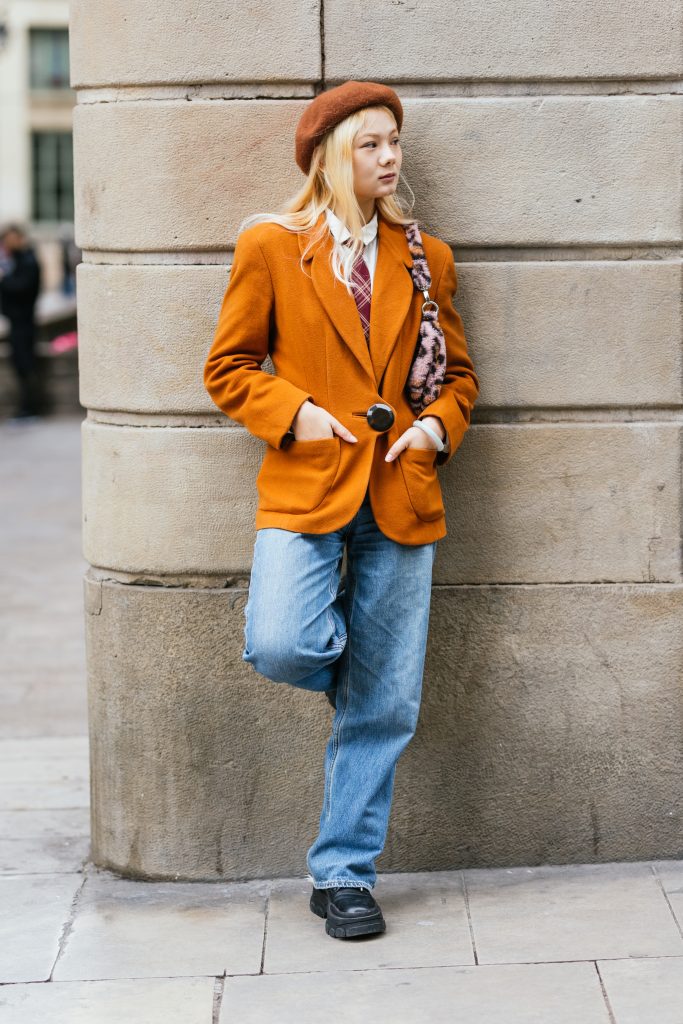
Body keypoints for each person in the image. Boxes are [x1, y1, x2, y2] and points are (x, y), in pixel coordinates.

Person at [203, 80, 480, 939]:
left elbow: (460, 378)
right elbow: (229, 367)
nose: (390, 157)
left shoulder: (425, 256)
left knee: (387, 704)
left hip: (402, 487)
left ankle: (343, 876)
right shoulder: (271, 246)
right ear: (330, 154)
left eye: (395, 141)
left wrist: (435, 429)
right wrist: (298, 415)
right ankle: (364, 681)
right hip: (307, 479)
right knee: (282, 642)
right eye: (371, 144)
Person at [0, 224, 43, 419]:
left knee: (26, 366)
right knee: (20, 365)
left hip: (24, 324)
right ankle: (26, 407)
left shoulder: (28, 261)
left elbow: (21, 288)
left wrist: (3, 279)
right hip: (17, 322)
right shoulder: (15, 261)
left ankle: (30, 408)